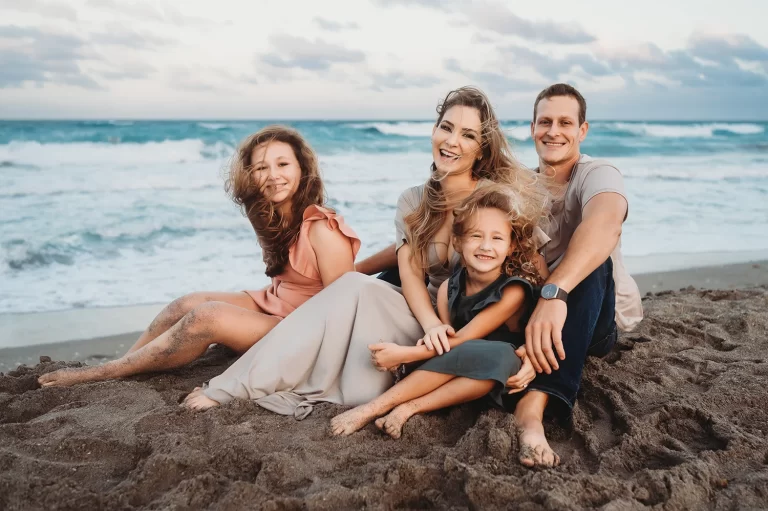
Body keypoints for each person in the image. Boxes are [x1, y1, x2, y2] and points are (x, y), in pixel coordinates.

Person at [182, 86, 550, 417]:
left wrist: (539, 336)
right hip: (429, 315)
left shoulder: (495, 200)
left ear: (481, 147)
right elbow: (408, 272)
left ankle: (310, 380)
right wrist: (432, 324)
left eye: (467, 134)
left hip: (482, 323)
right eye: (446, 127)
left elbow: (535, 269)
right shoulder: (413, 200)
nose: (452, 141)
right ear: (434, 130)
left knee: (355, 318)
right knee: (351, 285)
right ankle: (234, 385)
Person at [38, 126, 361, 387]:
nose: (273, 175)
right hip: (275, 304)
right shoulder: (267, 213)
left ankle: (105, 373)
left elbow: (345, 308)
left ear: (303, 168)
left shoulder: (322, 228)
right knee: (188, 303)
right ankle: (124, 364)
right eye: (261, 167)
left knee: (206, 317)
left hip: (303, 328)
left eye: (283, 164)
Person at [330, 182, 548, 437]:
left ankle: (391, 407)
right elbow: (448, 339)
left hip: (502, 378)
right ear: (458, 242)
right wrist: (414, 352)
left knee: (499, 355)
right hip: (460, 371)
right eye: (476, 236)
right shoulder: (447, 288)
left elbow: (466, 338)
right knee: (453, 353)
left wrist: (406, 354)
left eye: (497, 238)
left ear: (510, 247)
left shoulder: (514, 292)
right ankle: (394, 406)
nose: (486, 246)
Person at [509, 83, 644, 468]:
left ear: (582, 131)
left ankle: (533, 409)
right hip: (538, 309)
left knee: (589, 260)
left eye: (565, 122)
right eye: (545, 121)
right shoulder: (519, 184)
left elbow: (604, 224)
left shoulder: (597, 173)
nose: (554, 131)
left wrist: (554, 293)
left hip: (595, 316)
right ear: (532, 127)